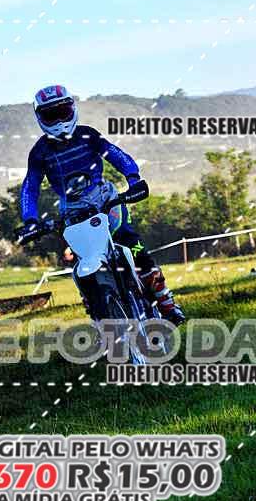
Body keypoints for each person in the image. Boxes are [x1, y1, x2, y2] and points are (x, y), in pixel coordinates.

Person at [19, 85, 185, 325]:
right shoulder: (39, 152)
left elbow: (116, 155)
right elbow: (30, 186)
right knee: (82, 263)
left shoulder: (88, 135)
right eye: (51, 115)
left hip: (108, 202)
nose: (59, 121)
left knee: (135, 248)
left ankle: (167, 304)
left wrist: (133, 179)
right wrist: (30, 221)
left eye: (63, 112)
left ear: (73, 109)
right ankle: (97, 313)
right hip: (74, 215)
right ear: (40, 118)